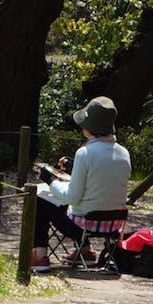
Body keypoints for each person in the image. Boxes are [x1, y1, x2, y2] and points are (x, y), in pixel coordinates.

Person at [30, 96, 132, 273]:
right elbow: (100, 180)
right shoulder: (123, 153)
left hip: (83, 225)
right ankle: (85, 251)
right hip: (114, 224)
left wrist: (50, 180)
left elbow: (72, 197)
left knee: (40, 197)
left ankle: (40, 255)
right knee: (85, 202)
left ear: (89, 127)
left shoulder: (85, 153)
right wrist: (73, 167)